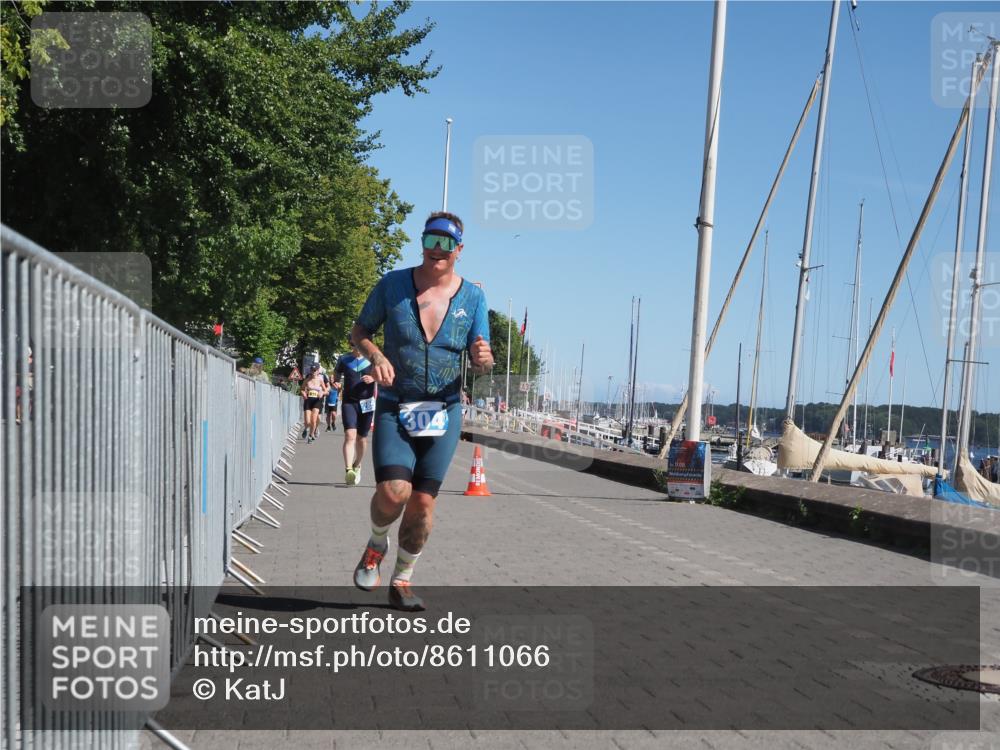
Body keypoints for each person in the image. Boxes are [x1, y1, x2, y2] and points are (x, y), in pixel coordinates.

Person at [350, 211, 493, 611]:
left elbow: (483, 361)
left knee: (423, 504)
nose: (437, 249)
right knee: (394, 492)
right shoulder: (393, 284)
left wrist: (484, 358)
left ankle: (402, 580)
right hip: (397, 405)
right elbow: (358, 333)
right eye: (431, 240)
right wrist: (375, 355)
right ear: (423, 242)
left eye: (447, 243)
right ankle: (377, 543)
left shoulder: (474, 297)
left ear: (459, 251)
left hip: (444, 412)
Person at [334, 340, 376, 485]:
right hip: (349, 402)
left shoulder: (372, 358)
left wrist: (373, 378)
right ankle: (348, 470)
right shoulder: (344, 359)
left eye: (358, 345)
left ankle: (357, 464)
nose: (356, 348)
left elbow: (383, 375)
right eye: (353, 345)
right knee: (349, 435)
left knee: (361, 439)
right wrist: (337, 382)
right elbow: (337, 373)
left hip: (367, 402)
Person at [300, 364, 328, 443]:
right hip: (308, 401)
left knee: (313, 420)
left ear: (318, 371)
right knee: (308, 421)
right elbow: (302, 389)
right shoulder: (307, 380)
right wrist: (304, 393)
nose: (313, 372)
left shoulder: (320, 380)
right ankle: (306, 429)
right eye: (312, 370)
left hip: (317, 401)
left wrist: (322, 393)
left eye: (315, 370)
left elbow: (326, 391)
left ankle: (311, 435)